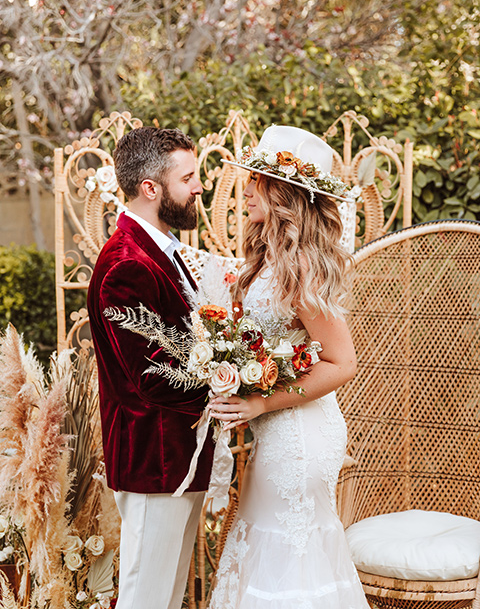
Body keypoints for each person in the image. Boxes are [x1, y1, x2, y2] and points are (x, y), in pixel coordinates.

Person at [208, 125, 370, 608]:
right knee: (264, 543)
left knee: (290, 553)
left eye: (257, 180)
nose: (247, 190)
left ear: (282, 192)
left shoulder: (301, 264)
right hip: (276, 429)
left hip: (301, 433)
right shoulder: (266, 260)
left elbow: (343, 363)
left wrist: (261, 401)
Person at [87, 126, 214, 609]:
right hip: (153, 461)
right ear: (150, 188)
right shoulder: (126, 264)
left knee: (165, 597)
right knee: (145, 599)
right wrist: (231, 384)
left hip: (179, 458)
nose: (199, 186)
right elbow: (152, 377)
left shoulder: (158, 250)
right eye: (189, 177)